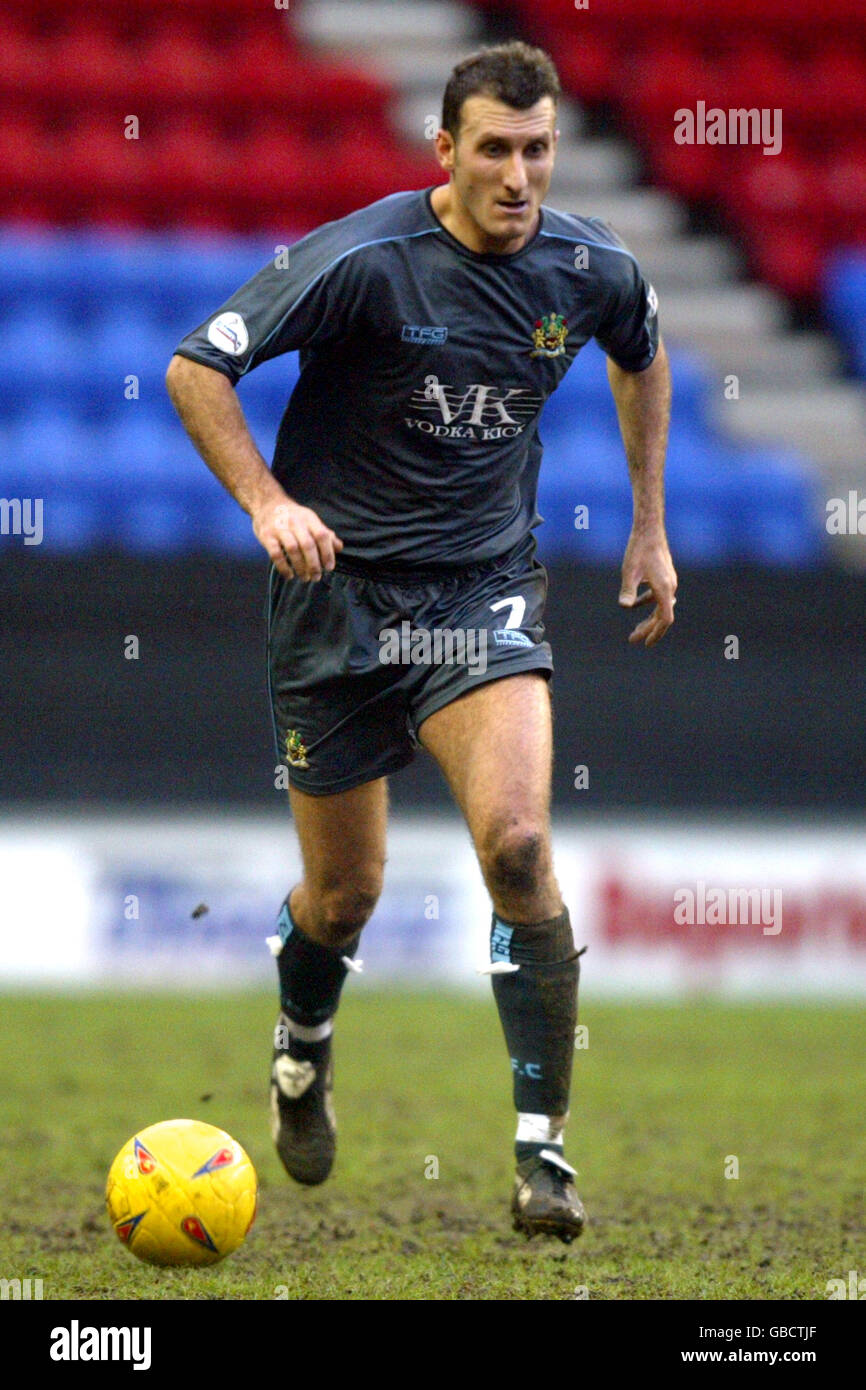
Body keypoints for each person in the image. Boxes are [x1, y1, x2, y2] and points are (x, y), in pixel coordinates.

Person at [166, 39, 677, 1243]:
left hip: (480, 597)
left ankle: (541, 1155)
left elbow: (641, 351)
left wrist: (649, 526)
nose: (517, 175)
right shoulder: (361, 260)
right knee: (345, 897)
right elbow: (196, 368)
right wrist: (267, 505)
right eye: (493, 149)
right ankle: (300, 1051)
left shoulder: (588, 266)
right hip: (336, 603)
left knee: (516, 842)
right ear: (442, 150)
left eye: (537, 149)